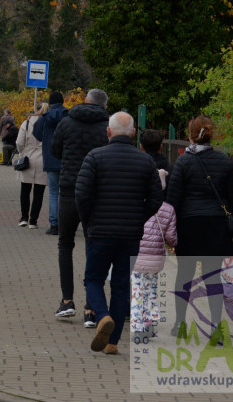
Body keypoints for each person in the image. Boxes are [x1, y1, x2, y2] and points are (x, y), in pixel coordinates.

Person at [75, 111, 163, 355]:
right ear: (134, 134)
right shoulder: (146, 162)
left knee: (93, 279)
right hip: (130, 234)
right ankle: (112, 342)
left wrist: (89, 221)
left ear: (108, 131)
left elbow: (81, 194)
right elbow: (156, 199)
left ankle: (102, 317)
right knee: (122, 285)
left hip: (100, 231)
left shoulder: (94, 157)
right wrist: (139, 219)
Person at [165, 115, 233, 339]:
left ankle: (180, 324)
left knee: (184, 275)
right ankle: (216, 327)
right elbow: (232, 198)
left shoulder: (184, 162)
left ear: (190, 134)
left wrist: (170, 226)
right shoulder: (224, 161)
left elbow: (173, 197)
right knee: (213, 277)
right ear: (210, 134)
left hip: (189, 224)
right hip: (216, 225)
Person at [51, 87, 109, 327]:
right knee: (93, 246)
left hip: (68, 189)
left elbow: (56, 151)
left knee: (65, 243)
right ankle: (91, 307)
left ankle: (66, 301)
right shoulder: (108, 125)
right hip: (96, 193)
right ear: (104, 105)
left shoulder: (67, 122)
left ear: (85, 101)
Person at [131, 168, 177, 335]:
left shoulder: (136, 202)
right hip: (156, 258)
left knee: (137, 290)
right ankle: (149, 320)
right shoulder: (168, 209)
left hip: (136, 255)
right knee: (151, 289)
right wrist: (173, 244)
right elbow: (171, 238)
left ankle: (138, 325)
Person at [33, 91, 69, 235]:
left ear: (50, 102)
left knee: (53, 193)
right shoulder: (68, 116)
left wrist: (47, 141)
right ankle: (65, 224)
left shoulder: (44, 117)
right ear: (62, 101)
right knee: (65, 193)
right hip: (67, 159)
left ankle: (54, 225)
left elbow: (36, 133)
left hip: (50, 157)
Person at [15, 102, 48, 229]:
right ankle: (33, 221)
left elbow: (19, 142)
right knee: (39, 192)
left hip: (27, 158)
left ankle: (24, 218)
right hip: (43, 159)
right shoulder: (49, 123)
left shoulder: (27, 122)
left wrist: (22, 152)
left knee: (25, 190)